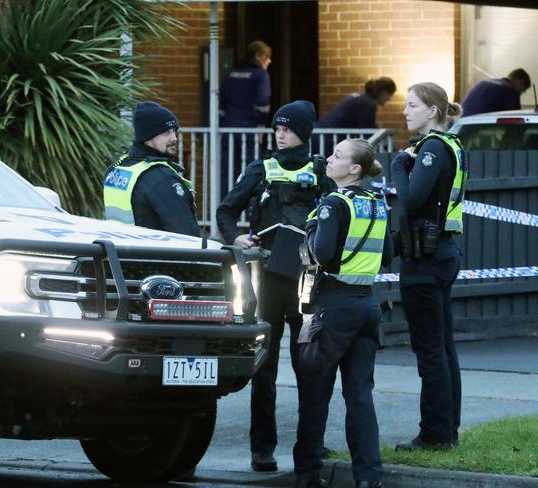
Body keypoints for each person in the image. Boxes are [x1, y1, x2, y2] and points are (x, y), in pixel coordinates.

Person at [217, 100, 335, 473]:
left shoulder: (321, 171)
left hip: (305, 280)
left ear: (303, 132)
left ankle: (311, 445)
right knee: (264, 368)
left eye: (286, 129)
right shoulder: (260, 169)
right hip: (266, 279)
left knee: (309, 366)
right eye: (276, 129)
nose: (279, 135)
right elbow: (225, 210)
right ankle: (262, 448)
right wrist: (236, 237)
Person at [293, 139, 392, 488]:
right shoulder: (377, 204)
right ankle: (368, 477)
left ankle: (306, 475)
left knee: (315, 392)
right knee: (360, 395)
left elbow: (319, 252)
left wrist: (308, 233)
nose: (328, 158)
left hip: (332, 306)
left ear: (354, 169)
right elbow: (388, 255)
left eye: (337, 155)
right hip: (367, 305)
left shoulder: (334, 203)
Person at [392, 82, 467, 451]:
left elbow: (412, 199)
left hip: (426, 258)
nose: (405, 112)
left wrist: (396, 169)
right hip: (443, 252)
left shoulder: (432, 148)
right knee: (444, 347)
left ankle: (435, 434)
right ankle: (447, 430)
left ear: (432, 111)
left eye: (412, 106)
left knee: (430, 351)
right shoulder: (450, 145)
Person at [103, 101, 200, 237]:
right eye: (166, 132)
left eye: (174, 131)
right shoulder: (160, 178)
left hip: (122, 253)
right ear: (147, 137)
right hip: (153, 255)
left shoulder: (120, 168)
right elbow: (188, 236)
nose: (174, 138)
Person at [219, 40, 272, 197]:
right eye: (267, 57)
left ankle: (225, 205)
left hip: (228, 129)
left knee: (226, 171)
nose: (269, 61)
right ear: (259, 56)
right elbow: (263, 102)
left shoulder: (231, 73)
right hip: (249, 129)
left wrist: (222, 125)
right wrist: (261, 124)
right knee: (250, 170)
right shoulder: (261, 75)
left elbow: (221, 104)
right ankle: (248, 212)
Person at [313, 77, 397, 156]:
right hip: (327, 138)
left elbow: (369, 128)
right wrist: (391, 150)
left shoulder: (361, 98)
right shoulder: (367, 103)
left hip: (322, 134)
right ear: (384, 93)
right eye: (390, 95)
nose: (389, 99)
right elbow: (369, 131)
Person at [461, 68, 531, 117]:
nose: (520, 93)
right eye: (523, 89)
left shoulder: (485, 83)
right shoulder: (509, 91)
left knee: (453, 138)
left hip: (459, 123)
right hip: (477, 127)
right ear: (520, 81)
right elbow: (515, 118)